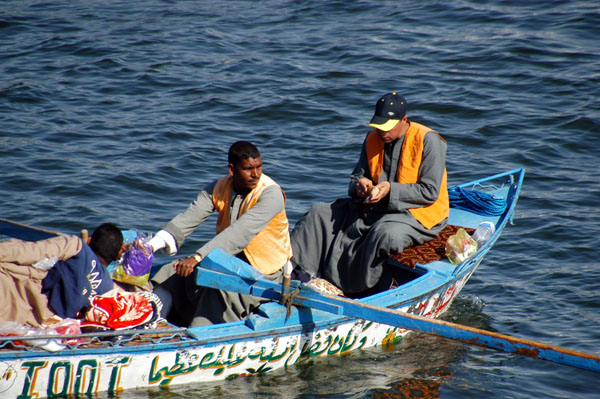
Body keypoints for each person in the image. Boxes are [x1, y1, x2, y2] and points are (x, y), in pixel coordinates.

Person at [291, 93, 449, 295]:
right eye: (379, 126)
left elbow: (430, 192)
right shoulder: (372, 138)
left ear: (404, 121)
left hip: (417, 213)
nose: (382, 132)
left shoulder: (429, 141)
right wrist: (360, 185)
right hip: (373, 206)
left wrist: (390, 190)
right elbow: (357, 176)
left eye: (388, 127)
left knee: (385, 234)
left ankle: (355, 290)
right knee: (318, 213)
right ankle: (298, 276)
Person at [149, 141, 293, 327]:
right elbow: (190, 217)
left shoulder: (271, 195)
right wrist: (151, 246)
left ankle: (198, 338)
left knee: (218, 290)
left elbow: (239, 233)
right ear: (232, 170)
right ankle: (151, 322)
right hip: (227, 260)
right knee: (170, 273)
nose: (256, 174)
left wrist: (198, 257)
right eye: (248, 169)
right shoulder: (219, 187)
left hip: (266, 274)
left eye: (259, 167)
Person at [0, 223, 124, 327]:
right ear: (115, 257)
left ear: (89, 240)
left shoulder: (76, 247)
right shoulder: (107, 288)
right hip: (34, 321)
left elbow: (27, 252)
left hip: (13, 294)